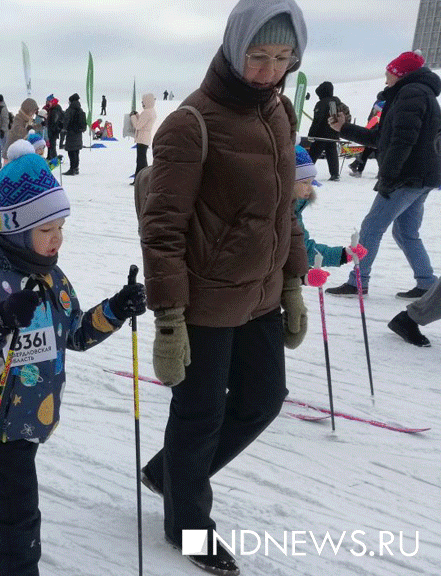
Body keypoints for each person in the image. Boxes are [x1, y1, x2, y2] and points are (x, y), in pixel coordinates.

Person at [138, 3, 309, 575]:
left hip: (260, 294)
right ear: (235, 49)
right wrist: (168, 318)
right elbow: (161, 227)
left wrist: (292, 283)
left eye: (282, 58)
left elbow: (285, 210)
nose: (269, 71)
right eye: (258, 56)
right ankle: (188, 525)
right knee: (201, 414)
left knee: (263, 400)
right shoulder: (193, 122)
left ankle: (170, 473)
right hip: (205, 299)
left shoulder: (280, 113)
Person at [0, 142, 147, 576]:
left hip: (31, 410)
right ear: (15, 229)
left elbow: (74, 333)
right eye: (46, 230)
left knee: (2, 485)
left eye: (60, 227)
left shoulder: (52, 278)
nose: (57, 239)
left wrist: (115, 308)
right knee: (20, 511)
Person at [325, 50, 441, 299]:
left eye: (389, 73)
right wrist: (344, 127)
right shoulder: (416, 94)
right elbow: (381, 139)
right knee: (405, 232)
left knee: (372, 227)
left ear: (400, 74)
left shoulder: (411, 94)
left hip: (407, 176)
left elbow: (402, 141)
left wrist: (389, 176)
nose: (385, 78)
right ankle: (427, 282)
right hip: (420, 176)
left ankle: (358, 282)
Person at [293, 145, 366, 267]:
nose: (310, 189)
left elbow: (303, 248)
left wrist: (342, 254)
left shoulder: (294, 211)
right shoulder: (277, 212)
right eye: (305, 182)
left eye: (311, 183)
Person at [306, 81, 349, 181]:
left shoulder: (322, 103)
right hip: (334, 133)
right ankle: (335, 174)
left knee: (313, 154)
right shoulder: (337, 102)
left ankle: (306, 173)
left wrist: (311, 134)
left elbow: (317, 120)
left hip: (321, 135)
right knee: (332, 153)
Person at [130, 93, 157, 177]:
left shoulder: (147, 112)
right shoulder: (152, 111)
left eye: (143, 102)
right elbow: (143, 122)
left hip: (142, 137)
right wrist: (137, 115)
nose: (142, 104)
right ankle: (142, 177)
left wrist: (132, 117)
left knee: (140, 160)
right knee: (142, 159)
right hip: (146, 137)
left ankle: (140, 177)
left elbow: (138, 125)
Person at [62, 93, 87, 175]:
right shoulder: (80, 110)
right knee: (76, 151)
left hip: (71, 133)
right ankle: (76, 168)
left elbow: (66, 121)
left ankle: (72, 169)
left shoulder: (70, 110)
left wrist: (63, 129)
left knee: (71, 152)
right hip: (78, 134)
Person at [45, 95, 63, 161]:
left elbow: (54, 121)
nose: (48, 103)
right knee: (51, 145)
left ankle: (54, 159)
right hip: (52, 130)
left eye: (49, 102)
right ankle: (50, 157)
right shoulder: (52, 109)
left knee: (52, 145)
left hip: (53, 131)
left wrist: (52, 129)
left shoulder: (55, 109)